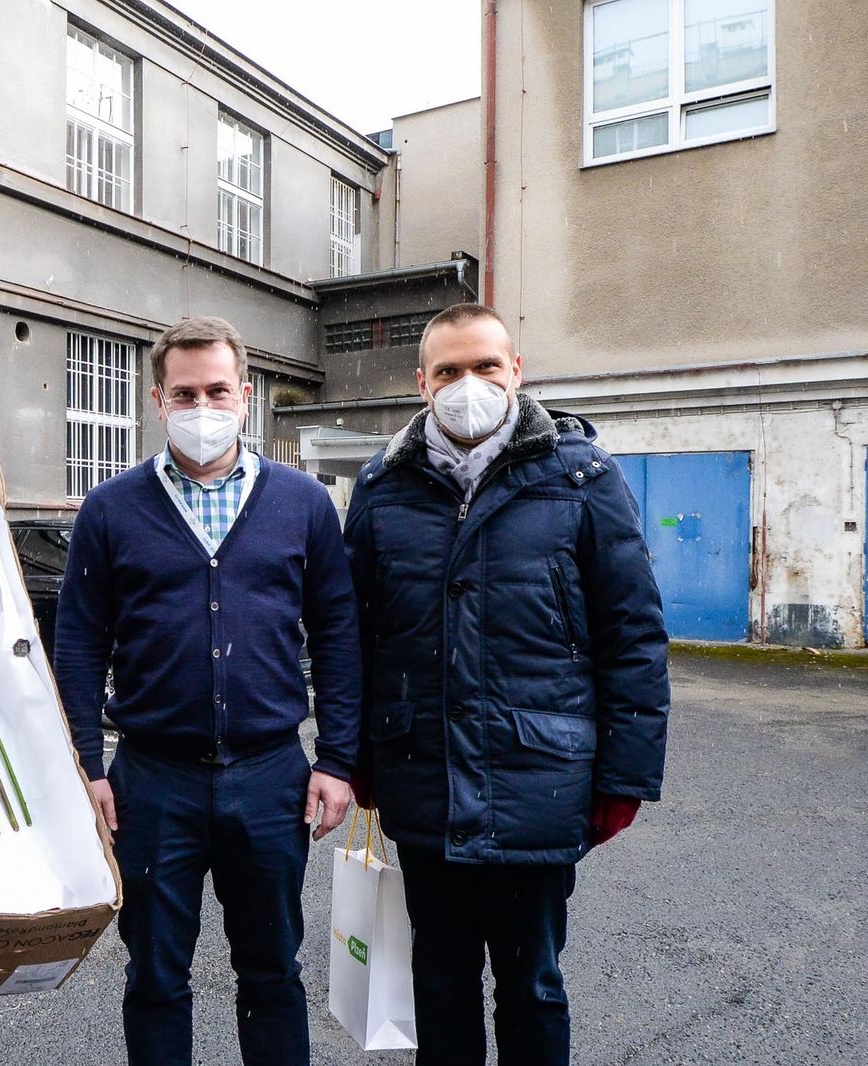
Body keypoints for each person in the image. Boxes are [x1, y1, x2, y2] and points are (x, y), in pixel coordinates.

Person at [344, 303, 670, 1065]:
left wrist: (626, 774)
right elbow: (354, 636)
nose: (469, 385)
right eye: (449, 371)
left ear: (516, 371)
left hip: (541, 784)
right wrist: (354, 752)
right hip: (421, 781)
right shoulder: (383, 487)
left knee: (533, 988)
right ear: (421, 382)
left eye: (486, 366)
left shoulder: (583, 477)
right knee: (439, 983)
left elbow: (633, 634)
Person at [54, 316, 361, 1066]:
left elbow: (339, 634)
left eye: (217, 390)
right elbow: (80, 642)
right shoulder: (110, 509)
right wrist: (86, 766)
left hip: (270, 778)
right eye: (184, 392)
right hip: (152, 784)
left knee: (272, 974)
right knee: (155, 977)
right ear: (157, 399)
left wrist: (339, 758)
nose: (202, 406)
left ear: (246, 395)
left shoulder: (303, 505)